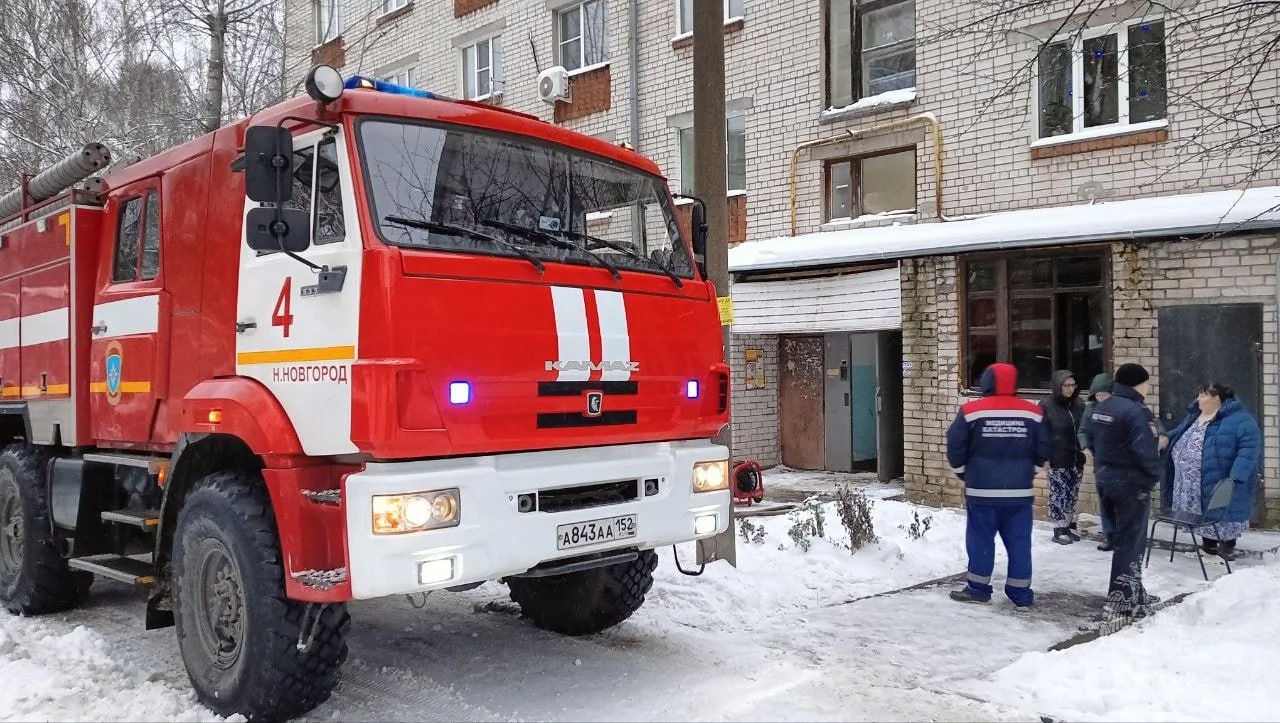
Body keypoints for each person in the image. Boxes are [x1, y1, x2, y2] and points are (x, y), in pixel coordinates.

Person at [946, 362, 1050, 610]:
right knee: (1019, 542)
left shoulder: (971, 411)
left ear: (986, 382)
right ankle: (1020, 593)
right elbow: (1043, 446)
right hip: (1019, 492)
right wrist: (1031, 471)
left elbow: (955, 444)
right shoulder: (1032, 412)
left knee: (981, 539)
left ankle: (978, 589)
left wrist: (963, 473)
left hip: (982, 490)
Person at [1088, 363, 1162, 616]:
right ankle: (1121, 598)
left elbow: (1097, 443)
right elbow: (1145, 451)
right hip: (1131, 484)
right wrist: (1155, 474)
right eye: (1146, 382)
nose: (1148, 386)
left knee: (1123, 539)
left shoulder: (1103, 407)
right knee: (1131, 543)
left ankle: (1135, 591)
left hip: (1106, 480)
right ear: (1138, 383)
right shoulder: (1136, 411)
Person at [1164, 382, 1261, 561]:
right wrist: (1163, 439)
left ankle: (1227, 547)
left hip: (1221, 476)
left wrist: (1236, 477)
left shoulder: (1241, 420)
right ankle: (1208, 546)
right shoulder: (1196, 415)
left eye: (1203, 395)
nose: (1198, 399)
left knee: (1223, 510)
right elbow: (1180, 432)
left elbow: (1248, 449)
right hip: (1189, 481)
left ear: (1217, 398)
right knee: (1200, 510)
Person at [1041, 370, 1086, 545]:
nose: (1070, 389)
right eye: (1066, 385)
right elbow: (1040, 433)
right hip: (1056, 457)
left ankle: (1067, 526)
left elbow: (1085, 429)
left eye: (1073, 385)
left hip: (1076, 457)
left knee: (1072, 493)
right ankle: (1058, 529)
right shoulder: (1046, 405)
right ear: (1058, 386)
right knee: (1059, 494)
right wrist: (1043, 456)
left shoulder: (1079, 404)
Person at [1078, 373, 1115, 549]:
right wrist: (1085, 448)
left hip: (1121, 461)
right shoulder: (1091, 408)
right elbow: (1083, 431)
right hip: (1101, 461)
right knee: (1105, 499)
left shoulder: (1121, 408)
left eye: (1105, 395)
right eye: (1098, 395)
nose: (1101, 399)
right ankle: (1109, 535)